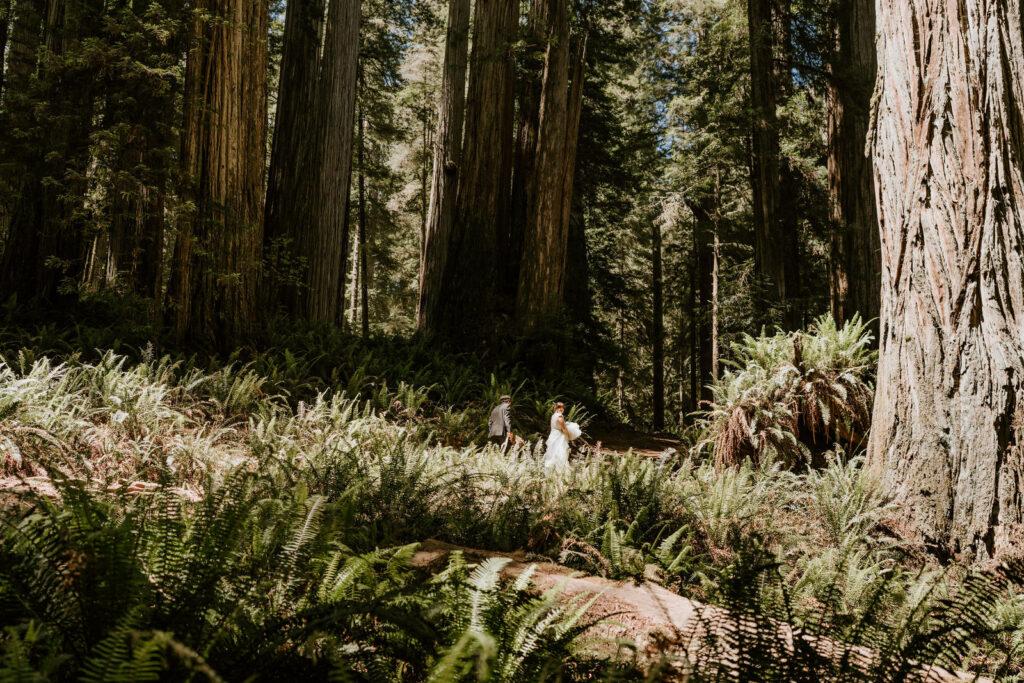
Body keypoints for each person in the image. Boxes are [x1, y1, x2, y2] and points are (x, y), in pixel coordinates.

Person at [543, 402, 580, 469]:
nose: (561, 409)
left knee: (553, 453)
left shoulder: (553, 415)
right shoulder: (560, 416)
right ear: (556, 408)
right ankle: (559, 469)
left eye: (562, 407)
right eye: (559, 407)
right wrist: (568, 437)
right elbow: (564, 429)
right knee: (560, 453)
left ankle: (553, 469)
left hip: (553, 435)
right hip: (559, 436)